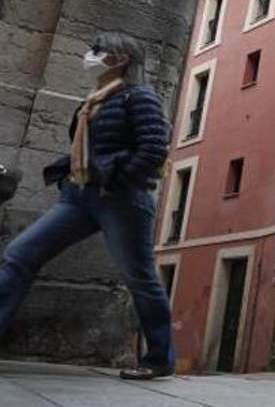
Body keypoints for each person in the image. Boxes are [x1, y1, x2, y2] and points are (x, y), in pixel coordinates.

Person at [0, 33, 174, 379]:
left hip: (120, 198)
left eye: (98, 51)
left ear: (121, 60)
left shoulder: (140, 97)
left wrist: (117, 179)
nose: (90, 56)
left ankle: (159, 360)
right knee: (20, 254)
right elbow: (89, 148)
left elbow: (154, 148)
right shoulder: (95, 100)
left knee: (139, 277)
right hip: (79, 197)